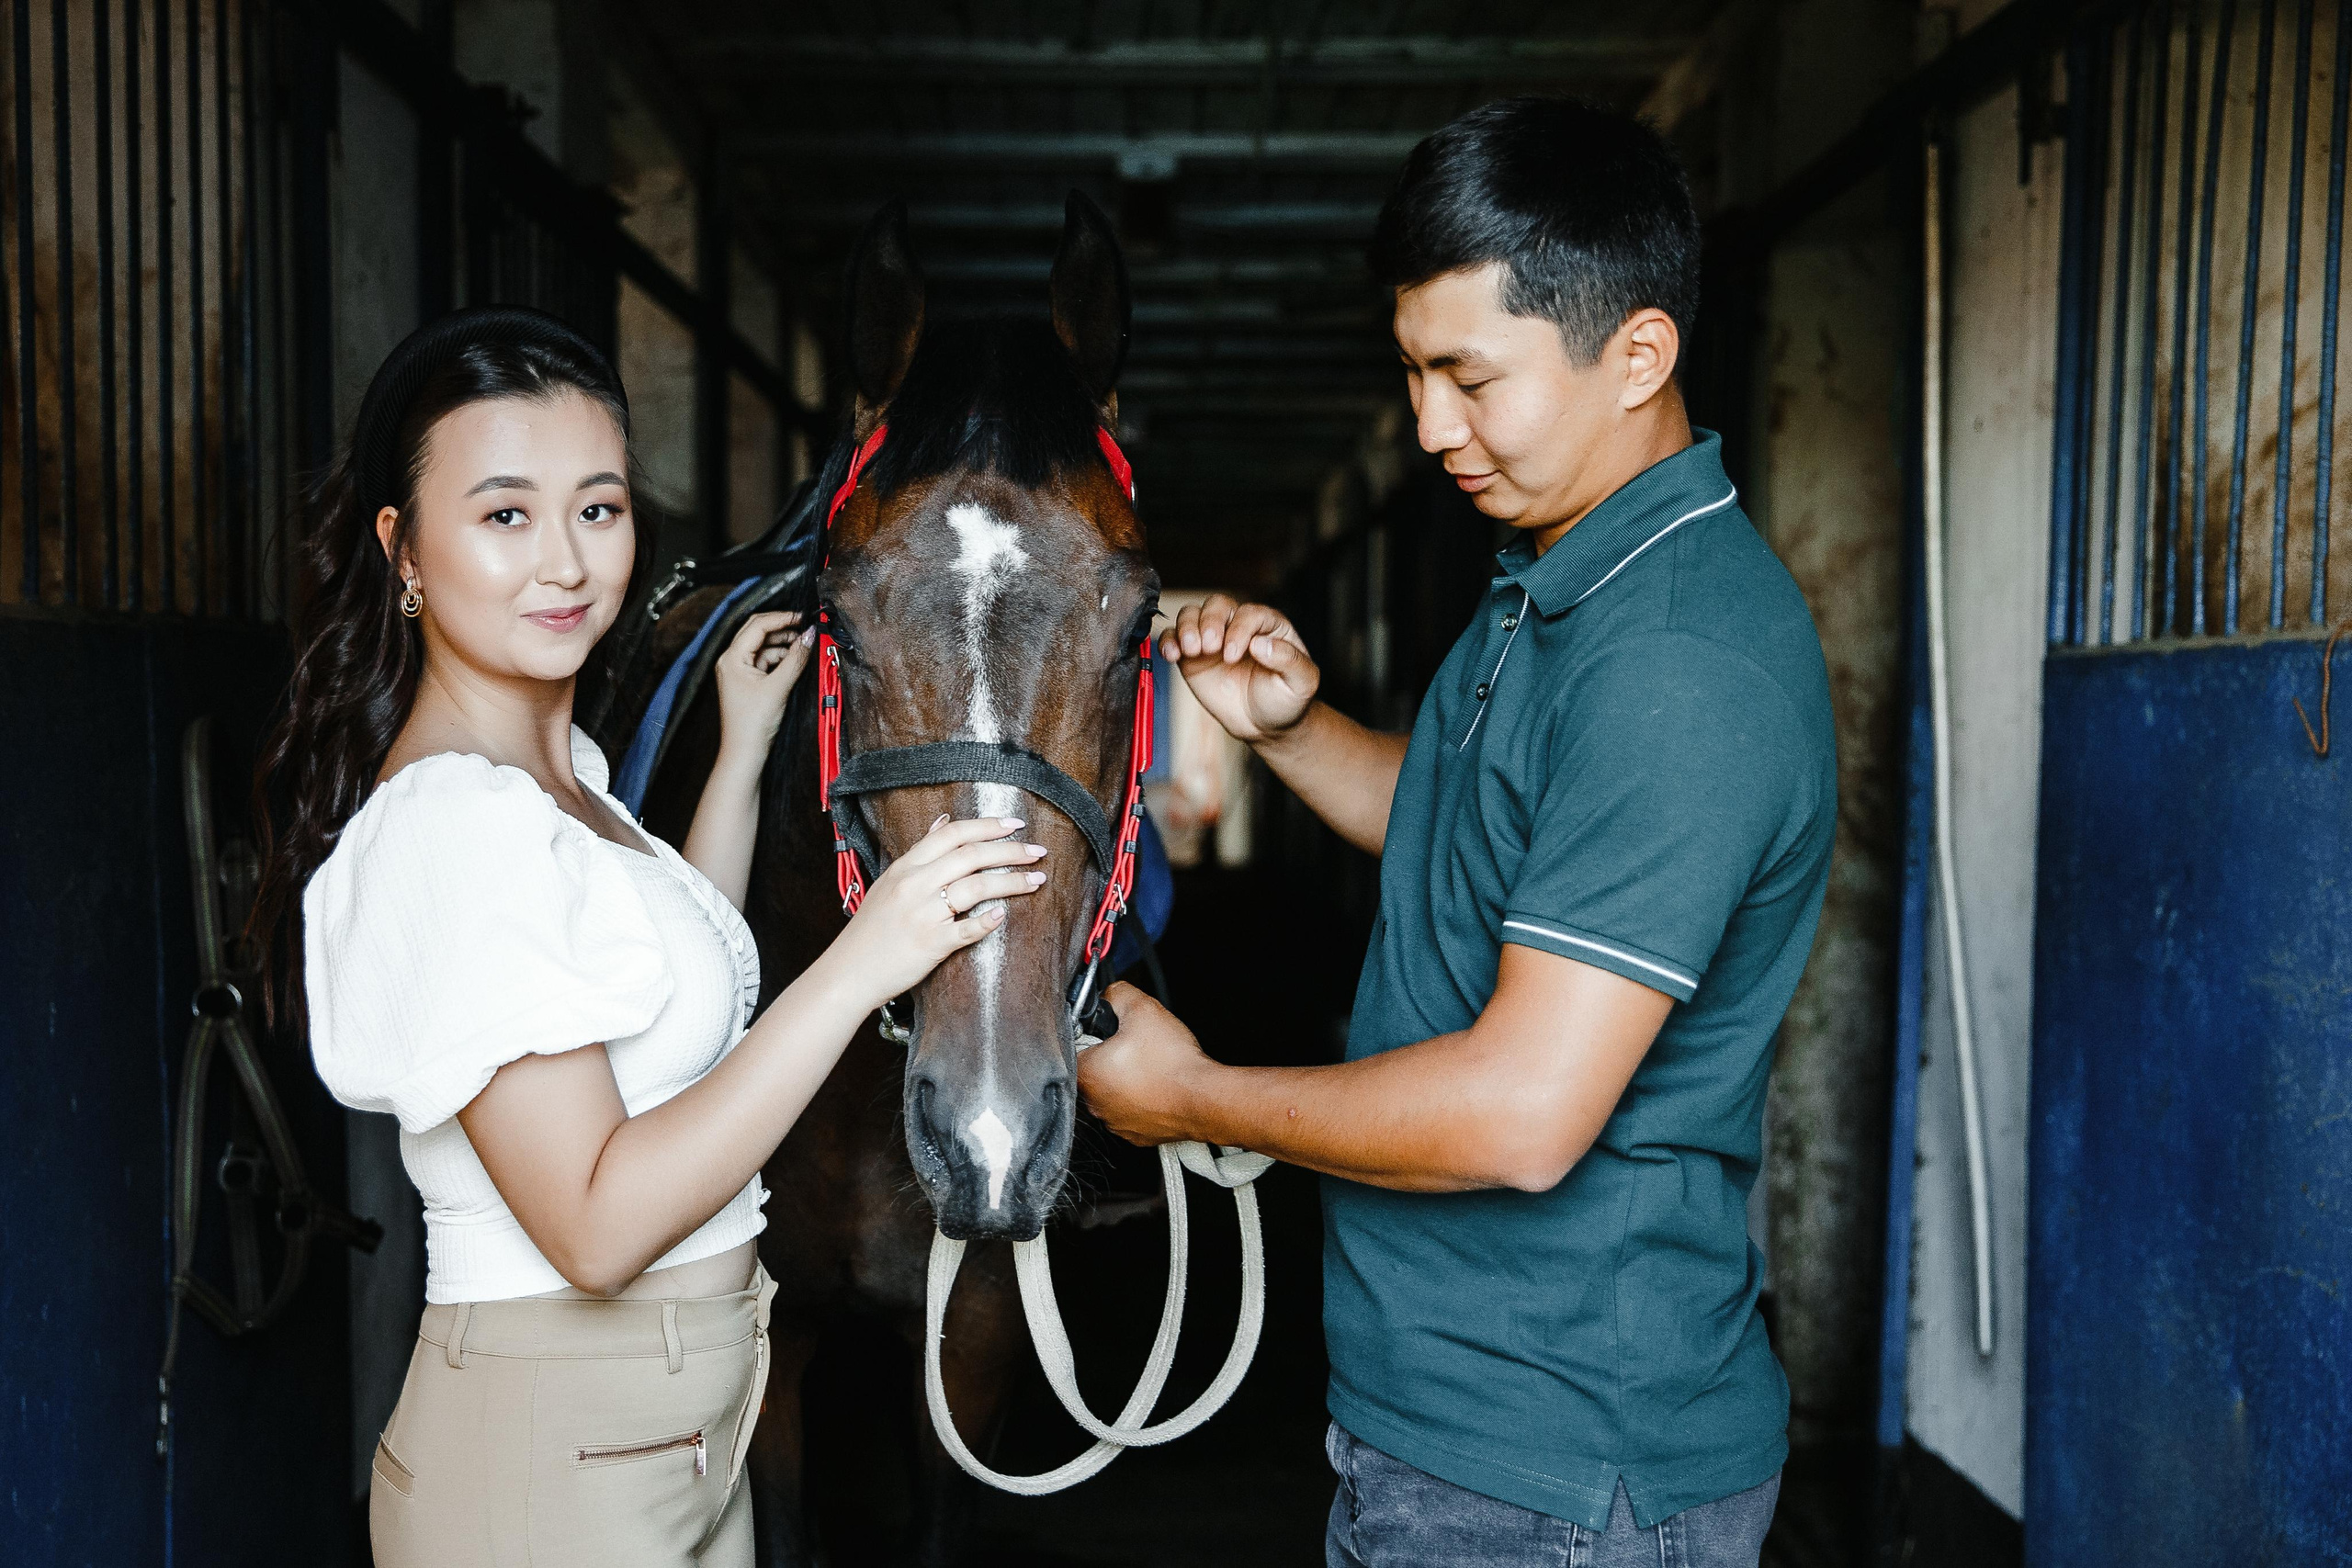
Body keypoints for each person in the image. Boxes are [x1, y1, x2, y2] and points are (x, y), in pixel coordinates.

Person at [1076, 97, 1836, 1568]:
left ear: (1640, 356)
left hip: (1557, 1461)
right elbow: (1475, 834)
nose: (1431, 428)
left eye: (1468, 379)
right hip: (1456, 1422)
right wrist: (1292, 730)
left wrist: (1196, 1096)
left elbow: (1519, 1114)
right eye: (1416, 374)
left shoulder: (1677, 663)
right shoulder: (1563, 577)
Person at [246, 307, 1055, 1566]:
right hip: (551, 1458)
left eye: (599, 509)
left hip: (677, 1432)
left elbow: (669, 998)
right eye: (505, 515)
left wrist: (736, 755)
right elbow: (595, 1224)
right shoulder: (460, 825)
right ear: (402, 551)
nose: (565, 564)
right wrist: (865, 961)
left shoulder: (562, 776)